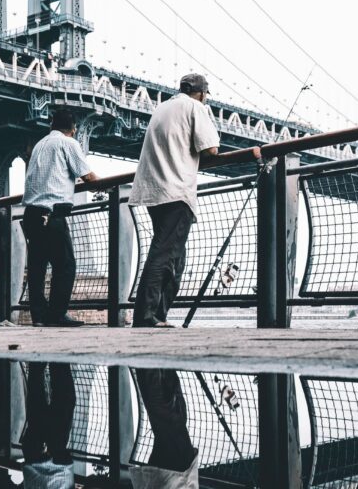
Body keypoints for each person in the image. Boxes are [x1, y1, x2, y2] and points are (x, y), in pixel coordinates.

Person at [129, 73, 220, 327]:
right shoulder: (195, 107)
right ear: (201, 93)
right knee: (164, 254)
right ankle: (146, 317)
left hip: (153, 190)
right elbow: (210, 149)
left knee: (175, 257)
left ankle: (159, 315)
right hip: (176, 190)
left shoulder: (162, 108)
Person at [23, 110, 99, 327]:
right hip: (52, 213)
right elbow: (87, 175)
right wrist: (105, 185)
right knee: (65, 265)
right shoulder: (68, 143)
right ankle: (57, 314)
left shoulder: (40, 144)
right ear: (73, 129)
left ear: (51, 126)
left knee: (37, 266)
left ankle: (38, 316)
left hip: (31, 214)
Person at [130, 368, 198, 488]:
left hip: (177, 473)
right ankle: (154, 364)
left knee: (169, 416)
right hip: (171, 475)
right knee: (170, 418)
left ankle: (152, 363)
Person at [22, 362, 76, 489]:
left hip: (59, 468)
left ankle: (58, 363)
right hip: (34, 463)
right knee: (37, 404)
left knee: (65, 400)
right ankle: (38, 364)